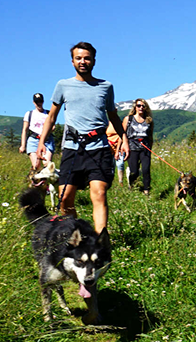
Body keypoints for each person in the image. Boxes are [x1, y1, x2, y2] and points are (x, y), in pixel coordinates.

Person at [35, 42, 127, 235]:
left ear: (94, 61)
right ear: (72, 61)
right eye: (79, 58)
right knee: (65, 197)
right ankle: (77, 236)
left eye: (87, 58)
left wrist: (124, 138)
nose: (83, 61)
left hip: (99, 147)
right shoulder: (63, 85)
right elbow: (51, 116)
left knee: (99, 194)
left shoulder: (106, 87)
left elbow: (113, 116)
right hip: (72, 147)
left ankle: (101, 242)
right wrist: (42, 142)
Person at [124, 99, 154, 194]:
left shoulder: (148, 120)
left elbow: (150, 136)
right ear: (135, 107)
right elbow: (122, 134)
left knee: (146, 170)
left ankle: (146, 190)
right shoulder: (128, 119)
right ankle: (132, 187)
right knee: (134, 171)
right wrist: (121, 147)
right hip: (132, 147)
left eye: (143, 106)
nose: (141, 107)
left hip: (145, 148)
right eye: (139, 105)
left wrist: (150, 147)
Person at [19, 93, 54, 169]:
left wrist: (46, 133)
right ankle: (36, 179)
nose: (39, 104)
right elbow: (25, 130)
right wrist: (23, 145)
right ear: (33, 102)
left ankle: (47, 179)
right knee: (36, 165)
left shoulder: (48, 113)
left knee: (47, 163)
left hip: (47, 140)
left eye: (40, 101)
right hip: (33, 139)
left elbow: (53, 127)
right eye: (37, 102)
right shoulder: (29, 114)